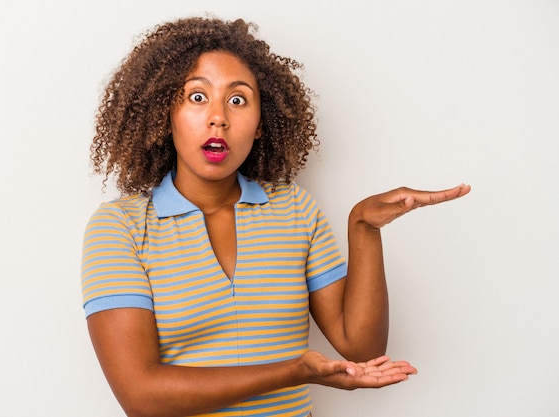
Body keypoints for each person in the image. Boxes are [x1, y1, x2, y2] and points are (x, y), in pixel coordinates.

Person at [81, 16, 470, 417]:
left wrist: (364, 227)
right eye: (198, 97)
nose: (219, 117)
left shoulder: (295, 209)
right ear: (166, 112)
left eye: (237, 99)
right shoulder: (120, 228)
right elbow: (141, 397)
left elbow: (362, 348)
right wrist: (295, 370)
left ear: (261, 123)